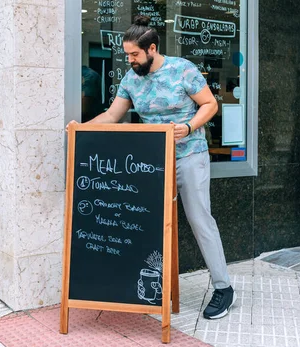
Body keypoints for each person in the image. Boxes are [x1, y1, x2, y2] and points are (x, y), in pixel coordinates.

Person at [67, 15, 235, 319]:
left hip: (189, 156)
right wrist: (80, 128)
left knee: (199, 219)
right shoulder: (131, 80)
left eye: (134, 54)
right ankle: (145, 287)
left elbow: (210, 104)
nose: (129, 60)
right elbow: (111, 116)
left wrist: (188, 126)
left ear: (152, 49)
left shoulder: (182, 69)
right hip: (151, 163)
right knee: (146, 223)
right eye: (127, 54)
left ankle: (223, 288)